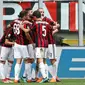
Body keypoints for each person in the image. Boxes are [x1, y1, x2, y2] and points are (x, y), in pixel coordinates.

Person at [20, 10, 54, 83]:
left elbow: (27, 31)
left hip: (39, 44)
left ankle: (45, 77)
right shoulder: (47, 23)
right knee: (43, 61)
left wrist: (22, 27)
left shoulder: (35, 23)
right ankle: (45, 76)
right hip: (46, 44)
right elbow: (52, 29)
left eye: (33, 17)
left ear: (35, 17)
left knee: (40, 60)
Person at [38, 8, 61, 82]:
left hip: (50, 43)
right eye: (40, 12)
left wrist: (54, 29)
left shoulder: (47, 19)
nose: (42, 13)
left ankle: (54, 77)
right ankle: (46, 76)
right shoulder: (36, 21)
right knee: (43, 60)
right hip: (42, 44)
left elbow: (57, 25)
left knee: (52, 59)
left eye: (43, 12)